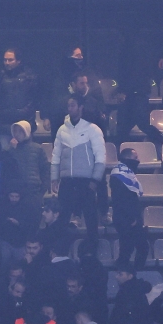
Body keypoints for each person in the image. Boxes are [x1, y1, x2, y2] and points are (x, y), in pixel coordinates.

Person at [51, 95, 106, 236]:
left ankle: (91, 251)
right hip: (67, 181)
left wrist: (95, 180)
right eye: (68, 105)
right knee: (62, 218)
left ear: (81, 107)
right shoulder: (61, 129)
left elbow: (100, 157)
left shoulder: (93, 129)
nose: (70, 108)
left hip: (86, 182)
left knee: (90, 219)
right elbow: (56, 155)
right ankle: (60, 253)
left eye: (73, 105)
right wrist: (54, 177)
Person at [110, 148, 148, 269]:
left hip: (128, 218)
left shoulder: (126, 174)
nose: (138, 160)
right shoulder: (118, 175)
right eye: (135, 158)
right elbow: (122, 200)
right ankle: (126, 274)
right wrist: (132, 217)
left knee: (131, 249)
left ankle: (129, 275)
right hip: (126, 220)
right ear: (127, 159)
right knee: (129, 249)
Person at [0, 47, 39, 135]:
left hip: (24, 123)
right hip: (4, 123)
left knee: (26, 148)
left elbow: (34, 99)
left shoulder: (30, 77)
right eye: (5, 60)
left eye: (10, 60)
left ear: (18, 61)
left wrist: (22, 112)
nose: (7, 63)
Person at [8, 121, 50, 207]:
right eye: (15, 131)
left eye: (20, 131)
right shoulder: (11, 150)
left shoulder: (37, 148)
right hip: (17, 194)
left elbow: (45, 170)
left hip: (34, 192)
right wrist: (12, 149)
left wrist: (41, 192)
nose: (17, 134)